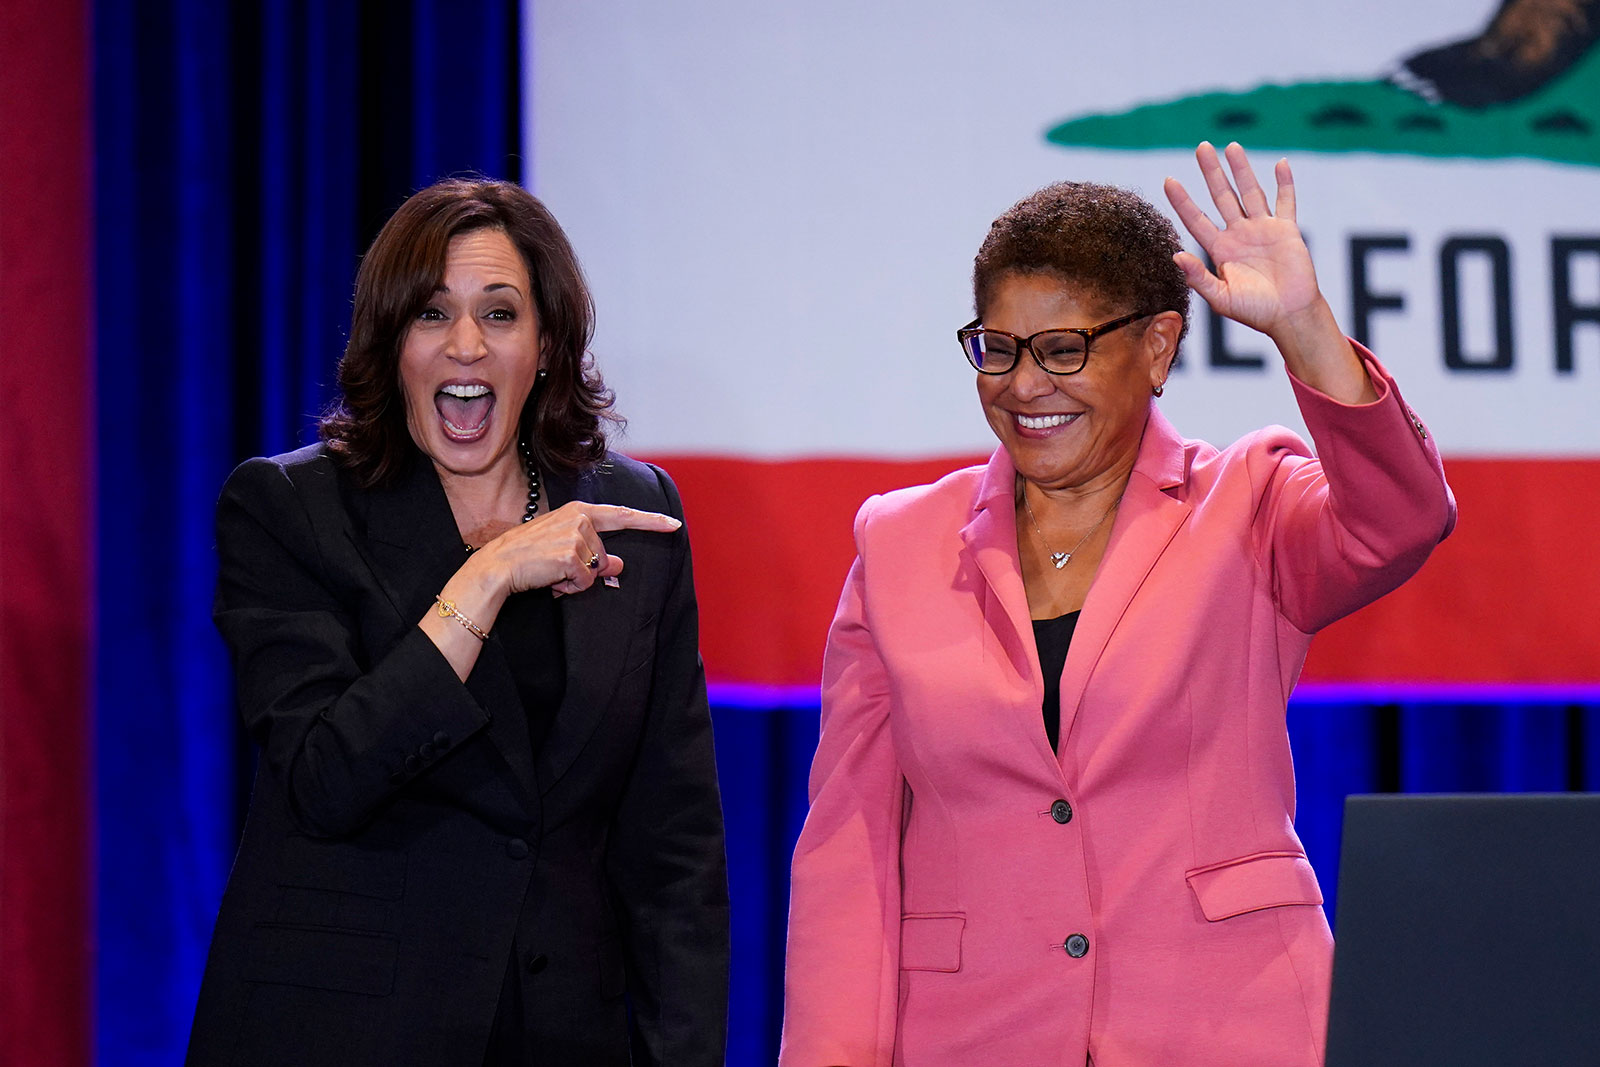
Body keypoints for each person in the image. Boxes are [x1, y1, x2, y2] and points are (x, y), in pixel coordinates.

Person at [780, 143, 1456, 1065]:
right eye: (998, 349)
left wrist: (1305, 328)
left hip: (1231, 1025)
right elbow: (848, 855)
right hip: (978, 1035)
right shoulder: (897, 542)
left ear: (1158, 347)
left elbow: (1402, 521)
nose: (1024, 386)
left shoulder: (1248, 500)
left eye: (1063, 350)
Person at [186, 179, 729, 1066]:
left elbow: (674, 844)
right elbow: (328, 776)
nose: (466, 344)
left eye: (501, 313)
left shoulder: (635, 508)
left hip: (561, 1035)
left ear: (546, 344)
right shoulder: (290, 509)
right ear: (392, 342)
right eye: (432, 314)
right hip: (343, 1032)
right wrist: (490, 574)